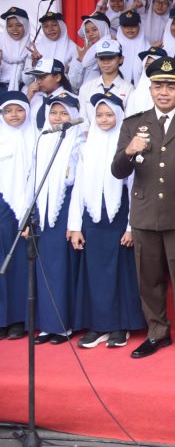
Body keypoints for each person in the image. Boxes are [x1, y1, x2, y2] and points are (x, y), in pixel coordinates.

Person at [112, 58, 175, 358]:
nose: (164, 92)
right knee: (149, 278)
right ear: (150, 89)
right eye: (158, 86)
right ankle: (157, 332)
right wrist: (129, 151)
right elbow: (118, 171)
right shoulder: (133, 124)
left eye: (171, 86)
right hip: (145, 213)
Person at [69, 93, 144, 348]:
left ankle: (120, 327)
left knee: (119, 271)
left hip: (118, 214)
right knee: (95, 271)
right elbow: (79, 186)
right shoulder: (86, 146)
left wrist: (131, 226)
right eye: (99, 115)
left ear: (119, 116)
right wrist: (75, 226)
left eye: (109, 114)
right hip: (92, 216)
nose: (103, 119)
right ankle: (98, 326)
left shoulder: (126, 145)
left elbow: (133, 186)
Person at [31, 92, 84, 344]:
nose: (58, 118)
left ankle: (64, 325)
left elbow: (79, 183)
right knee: (44, 269)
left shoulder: (79, 142)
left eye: (64, 113)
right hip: (43, 211)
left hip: (66, 209)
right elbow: (32, 179)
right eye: (54, 112)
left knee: (62, 268)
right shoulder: (42, 140)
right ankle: (47, 324)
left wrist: (74, 223)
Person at [0, 91, 33, 339]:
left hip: (25, 209)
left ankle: (18, 320)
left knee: (19, 265)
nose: (14, 115)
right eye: (8, 111)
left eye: (19, 109)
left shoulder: (35, 136)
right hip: (2, 205)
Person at [0, 7, 32, 92]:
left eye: (19, 25)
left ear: (26, 26)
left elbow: (30, 81)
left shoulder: (32, 48)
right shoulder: (0, 46)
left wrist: (33, 64)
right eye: (10, 26)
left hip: (24, 90)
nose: (14, 29)